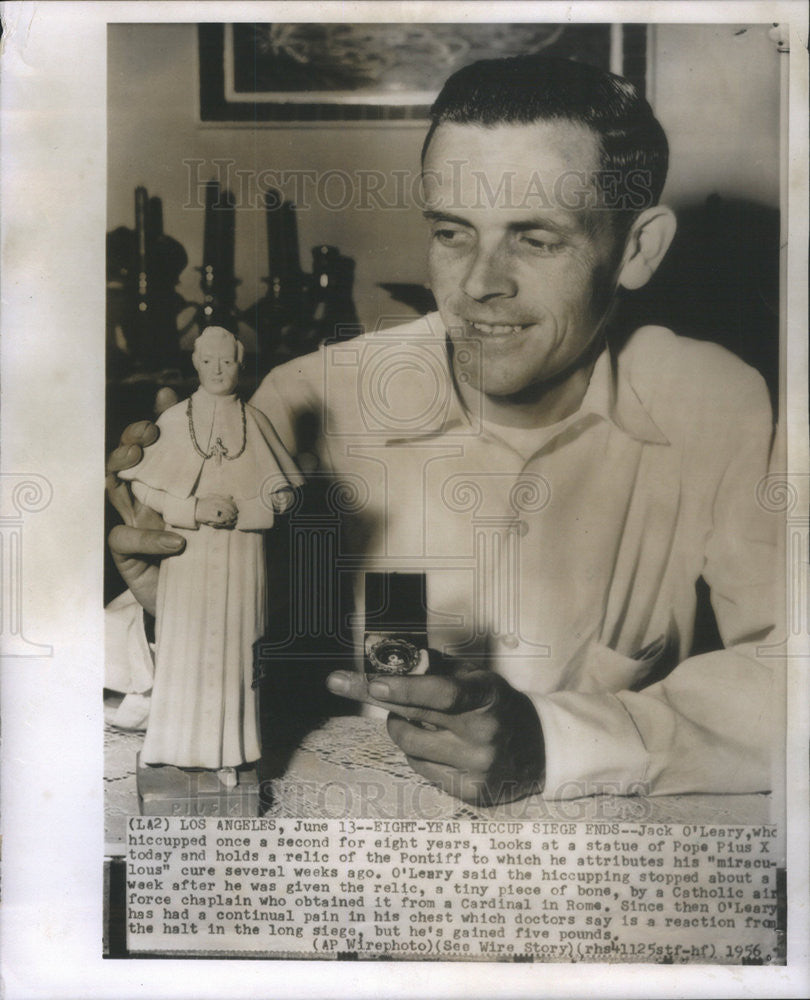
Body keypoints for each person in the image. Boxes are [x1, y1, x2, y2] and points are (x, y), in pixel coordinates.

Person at [107, 55, 779, 806]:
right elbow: (139, 665)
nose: (480, 284)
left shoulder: (715, 403)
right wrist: (180, 609)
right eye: (454, 233)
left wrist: (553, 742)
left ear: (637, 249)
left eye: (536, 239)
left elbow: (793, 668)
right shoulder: (310, 396)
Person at [117, 326, 303, 785]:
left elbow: (285, 491)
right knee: (185, 650)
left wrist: (269, 504)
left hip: (242, 553)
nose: (219, 370)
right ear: (195, 364)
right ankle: (173, 750)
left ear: (241, 363)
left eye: (228, 361)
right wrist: (194, 508)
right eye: (210, 361)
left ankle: (229, 754)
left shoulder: (255, 421)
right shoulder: (178, 419)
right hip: (189, 552)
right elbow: (144, 484)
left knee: (234, 656)